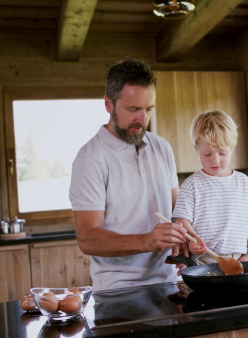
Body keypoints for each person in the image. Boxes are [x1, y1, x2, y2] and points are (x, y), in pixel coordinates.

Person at [69, 57, 187, 291]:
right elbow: (87, 239)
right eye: (133, 109)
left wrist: (185, 233)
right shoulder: (90, 159)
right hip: (117, 290)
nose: (142, 120)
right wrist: (146, 240)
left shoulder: (161, 147)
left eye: (148, 109)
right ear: (108, 104)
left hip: (168, 281)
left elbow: (177, 209)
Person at [172, 110, 248, 265]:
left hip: (239, 259)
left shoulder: (244, 182)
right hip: (203, 261)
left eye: (222, 153)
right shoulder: (191, 184)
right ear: (197, 150)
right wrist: (193, 240)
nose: (215, 160)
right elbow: (182, 220)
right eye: (207, 154)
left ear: (232, 149)